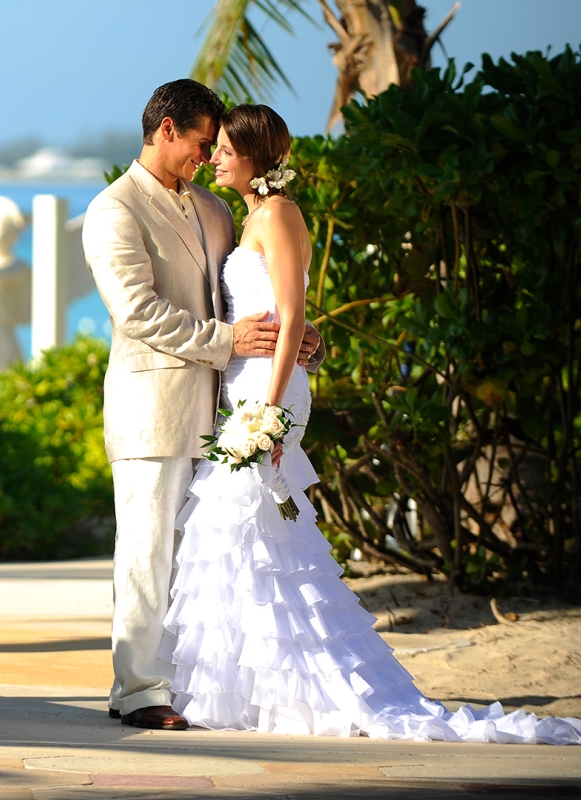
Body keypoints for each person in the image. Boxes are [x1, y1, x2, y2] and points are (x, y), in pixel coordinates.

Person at [160, 103, 581, 745]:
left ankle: (306, 683)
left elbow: (292, 311)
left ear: (255, 154)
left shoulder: (279, 215)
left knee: (254, 528)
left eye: (226, 147)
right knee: (246, 535)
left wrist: (271, 407)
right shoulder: (248, 214)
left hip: (265, 394)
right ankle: (255, 689)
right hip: (243, 387)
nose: (216, 156)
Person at [82, 80, 323, 731]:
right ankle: (138, 690)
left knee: (193, 561)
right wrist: (230, 340)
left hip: (221, 413)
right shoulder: (113, 210)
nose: (205, 155)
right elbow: (137, 313)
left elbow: (252, 302)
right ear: (165, 130)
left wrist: (298, 340)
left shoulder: (215, 210)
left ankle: (181, 683)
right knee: (148, 552)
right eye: (198, 143)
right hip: (151, 413)